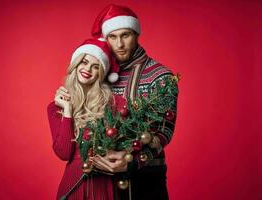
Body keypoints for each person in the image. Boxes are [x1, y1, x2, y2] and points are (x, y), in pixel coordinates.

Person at [89, 4, 179, 200]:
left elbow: (165, 130)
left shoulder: (161, 76)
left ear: (136, 34)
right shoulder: (100, 75)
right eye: (113, 37)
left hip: (146, 180)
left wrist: (134, 160)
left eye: (125, 35)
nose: (119, 44)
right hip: (102, 179)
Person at [47, 38, 119, 200]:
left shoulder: (112, 104)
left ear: (101, 73)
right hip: (73, 185)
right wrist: (67, 110)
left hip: (104, 184)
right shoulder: (55, 108)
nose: (88, 69)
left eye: (96, 67)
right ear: (76, 64)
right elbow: (64, 153)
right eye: (84, 62)